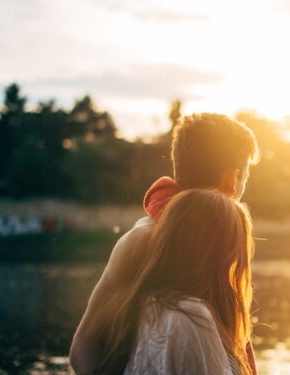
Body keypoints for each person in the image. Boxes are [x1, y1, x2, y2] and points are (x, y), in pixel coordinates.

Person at [70, 113, 259, 374]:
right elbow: (83, 348)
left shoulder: (215, 241)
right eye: (246, 177)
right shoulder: (144, 241)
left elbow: (83, 350)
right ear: (232, 180)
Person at [95, 189, 254, 374]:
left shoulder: (147, 305)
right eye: (232, 254)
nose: (233, 264)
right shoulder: (192, 316)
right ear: (217, 255)